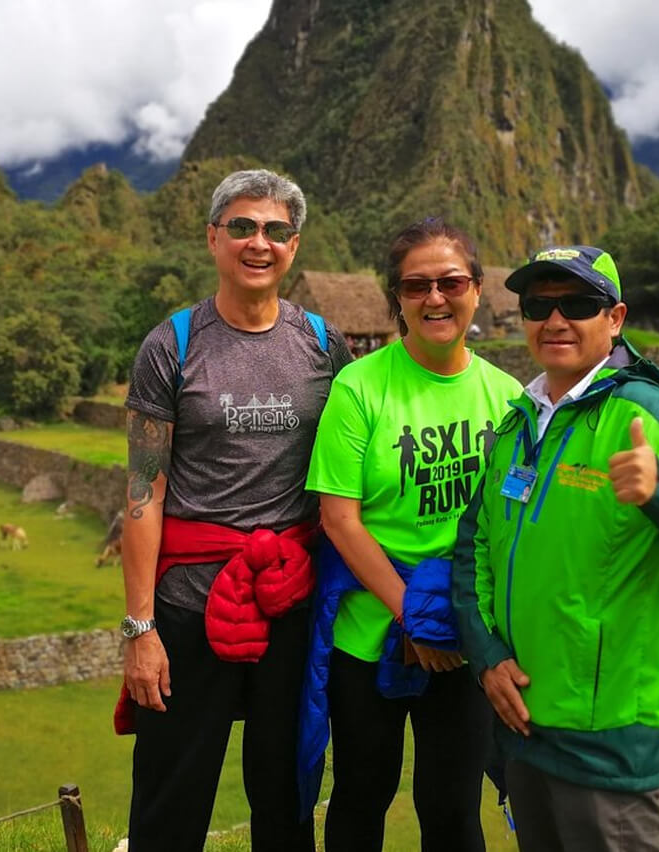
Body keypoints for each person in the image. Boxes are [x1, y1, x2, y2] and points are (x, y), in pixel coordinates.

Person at [451, 245, 659, 852]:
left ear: (614, 318)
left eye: (579, 304)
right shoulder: (520, 421)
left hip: (606, 741)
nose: (555, 320)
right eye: (538, 304)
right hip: (521, 723)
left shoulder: (644, 411)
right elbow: (475, 546)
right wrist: (486, 658)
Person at [117, 168, 354, 852]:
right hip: (189, 603)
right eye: (243, 228)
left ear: (294, 245)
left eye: (276, 231)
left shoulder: (322, 344)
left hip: (290, 598)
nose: (260, 243)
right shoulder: (173, 345)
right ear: (213, 238)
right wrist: (140, 627)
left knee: (286, 793)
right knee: (170, 791)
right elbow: (142, 491)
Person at [299, 218, 524, 852]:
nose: (435, 298)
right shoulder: (360, 387)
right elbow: (339, 517)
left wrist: (449, 626)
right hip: (371, 632)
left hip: (464, 636)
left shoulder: (505, 398)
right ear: (395, 298)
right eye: (416, 285)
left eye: (451, 282)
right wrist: (413, 618)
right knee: (363, 795)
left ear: (477, 290)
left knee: (452, 807)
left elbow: (509, 525)